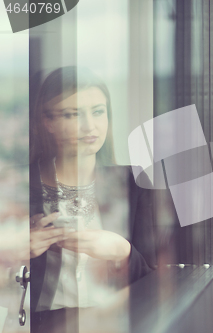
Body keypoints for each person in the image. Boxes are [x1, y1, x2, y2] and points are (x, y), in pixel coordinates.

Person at [29, 66, 156, 333]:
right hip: (39, 326)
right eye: (72, 114)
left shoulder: (134, 184)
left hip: (119, 323)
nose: (90, 126)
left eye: (98, 111)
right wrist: (18, 250)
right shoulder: (21, 185)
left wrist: (123, 251)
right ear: (47, 122)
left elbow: (168, 277)